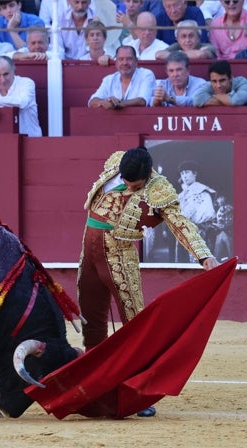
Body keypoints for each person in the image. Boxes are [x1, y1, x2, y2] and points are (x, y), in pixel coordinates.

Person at [77, 147, 219, 416]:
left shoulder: (159, 187)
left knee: (134, 324)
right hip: (89, 251)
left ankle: (138, 393)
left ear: (146, 177)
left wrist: (204, 255)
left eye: (136, 185)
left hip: (119, 255)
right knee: (91, 320)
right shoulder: (116, 163)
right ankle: (91, 385)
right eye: (127, 181)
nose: (129, 187)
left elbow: (179, 223)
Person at [0, 55, 42, 136]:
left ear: (13, 70)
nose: (2, 80)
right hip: (1, 140)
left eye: (6, 74)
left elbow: (22, 102)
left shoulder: (26, 83)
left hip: (30, 139)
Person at [87, 45, 156, 109]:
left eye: (129, 59)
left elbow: (142, 101)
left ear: (136, 61)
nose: (125, 63)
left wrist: (118, 104)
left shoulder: (146, 74)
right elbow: (92, 102)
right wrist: (104, 102)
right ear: (116, 63)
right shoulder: (109, 79)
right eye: (121, 59)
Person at [176, 160, 216, 262]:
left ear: (195, 173)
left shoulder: (203, 192)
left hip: (200, 232)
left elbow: (208, 213)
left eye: (187, 172)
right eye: (182, 173)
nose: (184, 176)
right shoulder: (181, 195)